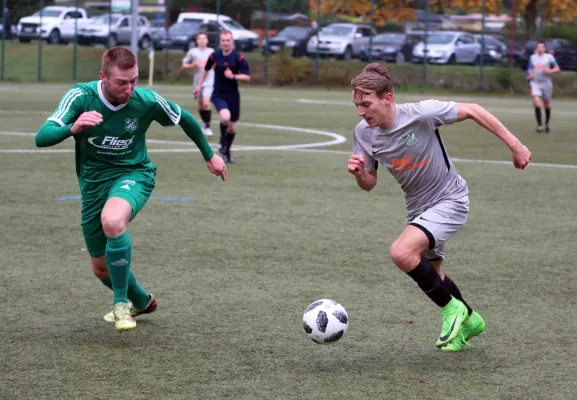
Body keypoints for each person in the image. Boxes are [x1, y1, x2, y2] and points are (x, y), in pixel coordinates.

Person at [35, 47, 227, 333]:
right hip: (93, 184)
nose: (129, 88)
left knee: (113, 221)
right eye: (121, 83)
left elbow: (184, 118)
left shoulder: (144, 100)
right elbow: (42, 137)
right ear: (103, 77)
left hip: (134, 174)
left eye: (134, 80)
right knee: (100, 269)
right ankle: (142, 301)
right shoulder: (81, 97)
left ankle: (121, 304)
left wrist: (209, 155)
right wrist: (72, 129)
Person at [347, 63, 532, 352]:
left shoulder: (422, 113)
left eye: (366, 104)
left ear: (388, 98)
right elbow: (370, 183)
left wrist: (515, 145)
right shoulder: (363, 133)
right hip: (417, 209)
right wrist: (360, 173)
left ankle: (452, 310)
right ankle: (470, 320)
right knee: (434, 275)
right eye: (357, 105)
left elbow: (473, 109)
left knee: (401, 252)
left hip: (450, 199)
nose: (361, 111)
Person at [195, 30, 251, 164]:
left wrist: (234, 76)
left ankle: (226, 149)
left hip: (233, 95)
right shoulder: (215, 56)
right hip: (219, 94)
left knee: (232, 127)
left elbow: (247, 76)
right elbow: (206, 69)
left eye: (228, 40)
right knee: (225, 117)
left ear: (232, 42)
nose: (225, 43)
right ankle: (222, 142)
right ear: (220, 42)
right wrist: (199, 86)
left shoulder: (238, 58)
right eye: (223, 40)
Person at [181, 31, 215, 137]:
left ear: (207, 40)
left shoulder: (211, 51)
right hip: (197, 82)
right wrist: (192, 65)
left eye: (204, 38)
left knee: (206, 103)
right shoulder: (192, 52)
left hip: (209, 81)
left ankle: (208, 126)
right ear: (197, 41)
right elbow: (184, 65)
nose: (202, 40)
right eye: (200, 38)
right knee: (201, 106)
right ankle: (204, 124)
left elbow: (216, 64)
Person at [528, 40, 560, 133]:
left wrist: (549, 71)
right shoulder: (533, 57)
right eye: (539, 47)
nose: (540, 48)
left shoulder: (549, 57)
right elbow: (531, 68)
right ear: (537, 48)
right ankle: (539, 125)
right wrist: (530, 75)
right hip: (535, 83)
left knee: (546, 104)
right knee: (537, 102)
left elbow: (557, 68)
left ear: (545, 48)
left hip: (546, 83)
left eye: (542, 46)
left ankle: (547, 123)